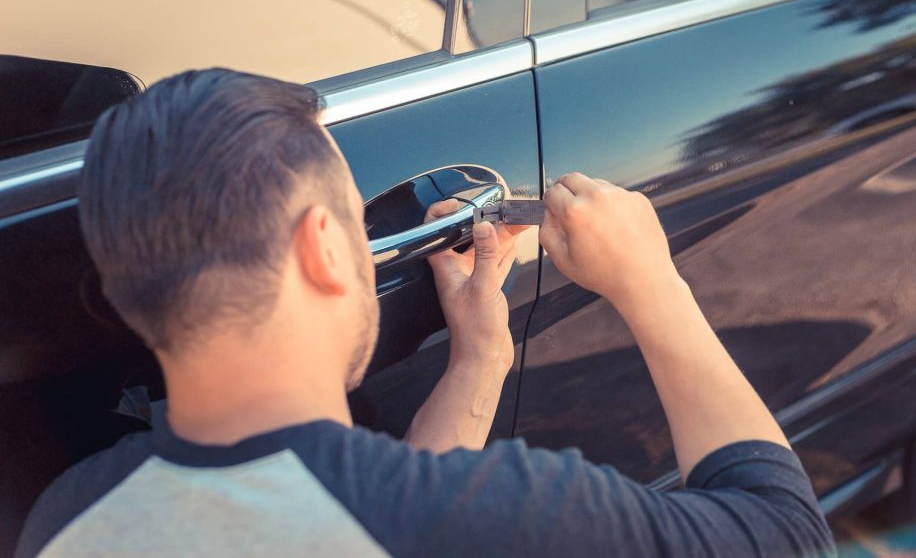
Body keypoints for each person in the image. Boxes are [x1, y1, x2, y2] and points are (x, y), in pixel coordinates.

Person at [15, 69, 835, 557]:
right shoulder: (515, 511)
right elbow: (788, 533)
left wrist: (479, 358)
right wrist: (652, 282)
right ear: (325, 252)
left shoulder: (69, 518)